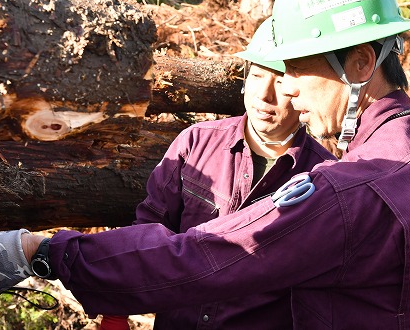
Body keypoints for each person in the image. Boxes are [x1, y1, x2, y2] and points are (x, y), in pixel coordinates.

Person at [0, 0, 410, 328]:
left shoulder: (352, 191)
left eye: (297, 69)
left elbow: (210, 254)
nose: (288, 90)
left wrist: (44, 251)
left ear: (361, 63)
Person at [100, 17, 334, 329]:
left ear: (302, 89)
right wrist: (118, 309)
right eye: (257, 76)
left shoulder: (323, 178)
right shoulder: (195, 143)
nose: (264, 95)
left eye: (279, 81)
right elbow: (148, 233)